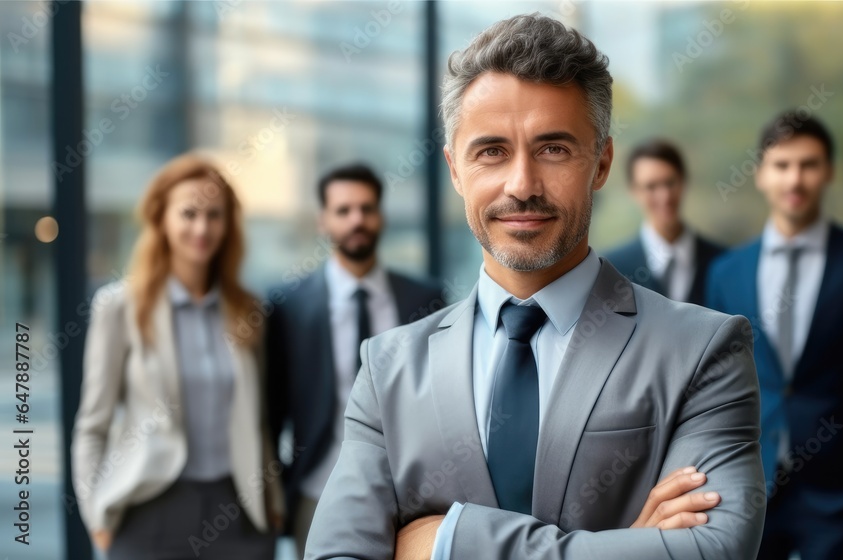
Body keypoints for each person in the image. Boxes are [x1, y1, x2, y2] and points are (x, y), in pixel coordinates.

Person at [305, 14, 764, 560]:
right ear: (455, 169)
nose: (522, 185)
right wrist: (630, 547)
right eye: (492, 151)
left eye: (553, 149)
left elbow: (714, 551)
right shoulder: (387, 370)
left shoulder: (703, 351)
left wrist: (447, 543)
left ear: (602, 162)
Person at [705, 112, 843, 560]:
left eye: (809, 164)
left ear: (829, 172)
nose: (795, 179)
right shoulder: (726, 273)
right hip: (748, 492)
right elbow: (710, 387)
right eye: (782, 165)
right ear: (761, 174)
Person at [72, 154, 284, 559]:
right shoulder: (119, 307)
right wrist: (95, 514)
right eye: (188, 213)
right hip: (148, 508)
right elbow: (92, 425)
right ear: (161, 219)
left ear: (228, 224)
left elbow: (258, 422)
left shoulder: (248, 311)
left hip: (237, 512)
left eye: (214, 215)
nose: (202, 228)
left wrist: (271, 503)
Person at [265, 163, 444, 557]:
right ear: (323, 221)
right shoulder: (288, 306)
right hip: (318, 493)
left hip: (410, 493)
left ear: (381, 216)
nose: (357, 220)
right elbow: (271, 410)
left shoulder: (424, 299)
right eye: (343, 211)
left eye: (367, 208)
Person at [605, 139, 725, 305]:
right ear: (634, 191)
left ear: (684, 182)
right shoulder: (612, 269)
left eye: (670, 183)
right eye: (651, 186)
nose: (664, 197)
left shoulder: (723, 262)